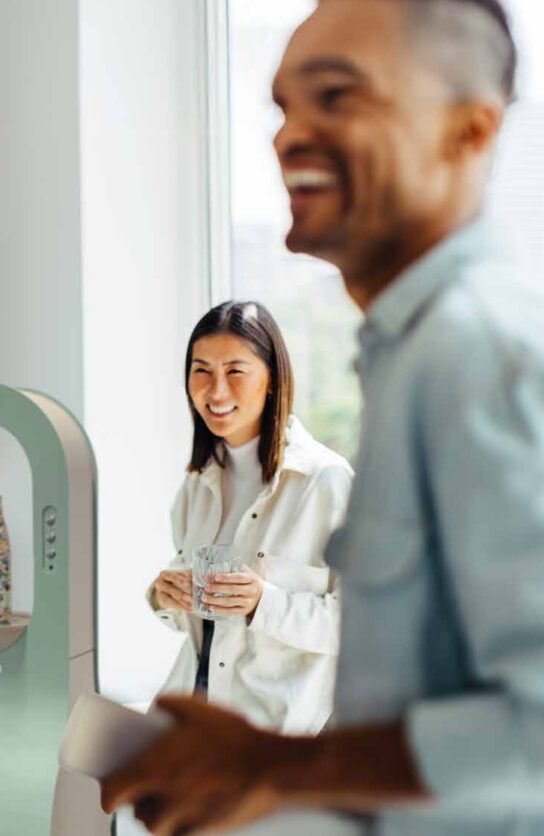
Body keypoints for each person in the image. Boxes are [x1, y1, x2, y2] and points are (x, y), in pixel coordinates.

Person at [101, 1, 544, 834]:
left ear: (469, 131)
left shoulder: (482, 359)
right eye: (282, 105)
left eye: (336, 96)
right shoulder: (411, 358)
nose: (287, 136)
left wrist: (283, 767)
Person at [148, 301, 352, 735]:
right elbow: (204, 628)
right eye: (201, 370)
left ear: (273, 380)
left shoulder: (325, 482)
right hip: (192, 721)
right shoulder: (196, 486)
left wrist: (264, 602)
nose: (215, 391)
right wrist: (165, 597)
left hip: (275, 740)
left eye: (235, 371)